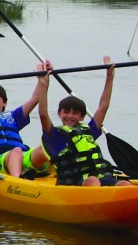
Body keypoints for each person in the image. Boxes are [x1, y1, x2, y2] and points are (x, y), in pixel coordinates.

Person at [37, 57, 132, 186]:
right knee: (93, 180)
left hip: (101, 178)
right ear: (59, 113)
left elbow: (103, 106)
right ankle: (100, 203)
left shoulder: (89, 131)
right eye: (66, 112)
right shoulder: (54, 136)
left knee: (124, 184)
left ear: (82, 117)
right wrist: (44, 85)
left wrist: (110, 76)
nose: (70, 116)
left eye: (75, 113)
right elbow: (43, 114)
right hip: (74, 183)